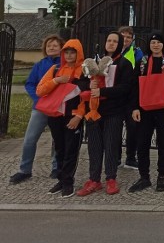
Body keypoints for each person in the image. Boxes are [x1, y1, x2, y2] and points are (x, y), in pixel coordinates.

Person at [76, 31, 135, 196]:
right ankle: (94, 179)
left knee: (110, 145)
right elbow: (81, 81)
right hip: (93, 111)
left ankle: (110, 178)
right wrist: (89, 85)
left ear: (120, 44)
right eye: (109, 40)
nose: (111, 43)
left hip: (114, 111)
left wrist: (103, 91)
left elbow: (126, 88)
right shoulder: (93, 62)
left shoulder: (124, 63)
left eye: (115, 41)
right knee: (94, 146)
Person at [129, 33, 164, 193]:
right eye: (153, 42)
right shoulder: (142, 62)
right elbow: (134, 87)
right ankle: (144, 177)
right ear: (149, 44)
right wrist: (134, 108)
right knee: (142, 143)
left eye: (159, 42)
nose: (156, 45)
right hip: (145, 109)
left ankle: (162, 175)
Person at [36, 39, 89, 198]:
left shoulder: (84, 71)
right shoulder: (55, 69)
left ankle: (68, 182)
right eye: (66, 51)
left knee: (71, 151)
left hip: (73, 117)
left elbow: (86, 98)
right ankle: (60, 179)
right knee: (59, 149)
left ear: (78, 53)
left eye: (72, 52)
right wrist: (56, 80)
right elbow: (40, 90)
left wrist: (79, 116)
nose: (69, 55)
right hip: (55, 116)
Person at [9, 35, 63, 185]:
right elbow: (30, 84)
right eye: (49, 46)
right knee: (30, 139)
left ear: (61, 48)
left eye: (55, 45)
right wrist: (38, 99)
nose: (51, 48)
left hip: (58, 107)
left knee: (56, 140)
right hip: (40, 107)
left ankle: (56, 167)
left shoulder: (65, 64)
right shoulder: (39, 65)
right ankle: (24, 170)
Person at [118, 25, 144, 169]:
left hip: (131, 95)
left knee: (132, 127)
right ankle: (115, 157)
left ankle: (130, 157)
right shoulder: (112, 52)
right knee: (115, 128)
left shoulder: (136, 52)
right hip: (115, 96)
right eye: (123, 36)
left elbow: (140, 70)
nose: (126, 39)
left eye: (129, 37)